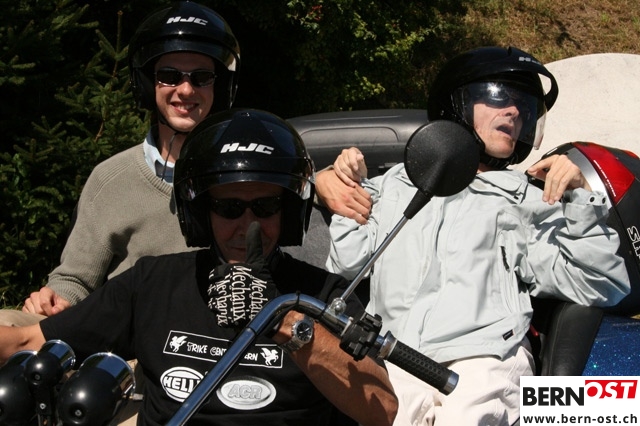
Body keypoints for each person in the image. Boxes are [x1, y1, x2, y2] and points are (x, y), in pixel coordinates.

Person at [0, 109, 399, 426]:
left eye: (265, 207)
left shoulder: (323, 294)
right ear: (200, 213)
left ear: (290, 212)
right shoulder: (153, 283)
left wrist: (287, 322)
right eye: (229, 208)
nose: (248, 227)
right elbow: (24, 341)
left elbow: (381, 409)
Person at [315, 46, 631, 425]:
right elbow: (347, 264)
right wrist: (344, 183)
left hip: (484, 359)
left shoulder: (529, 198)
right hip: (393, 352)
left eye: (524, 106)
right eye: (500, 97)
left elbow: (601, 283)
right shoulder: (397, 183)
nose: (514, 112)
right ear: (457, 102)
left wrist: (579, 199)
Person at [0, 1, 241, 327]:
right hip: (123, 345)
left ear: (221, 86)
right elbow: (75, 279)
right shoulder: (110, 178)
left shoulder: (246, 177)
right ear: (147, 84)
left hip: (213, 343)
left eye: (202, 77)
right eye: (169, 76)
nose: (185, 89)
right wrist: (55, 300)